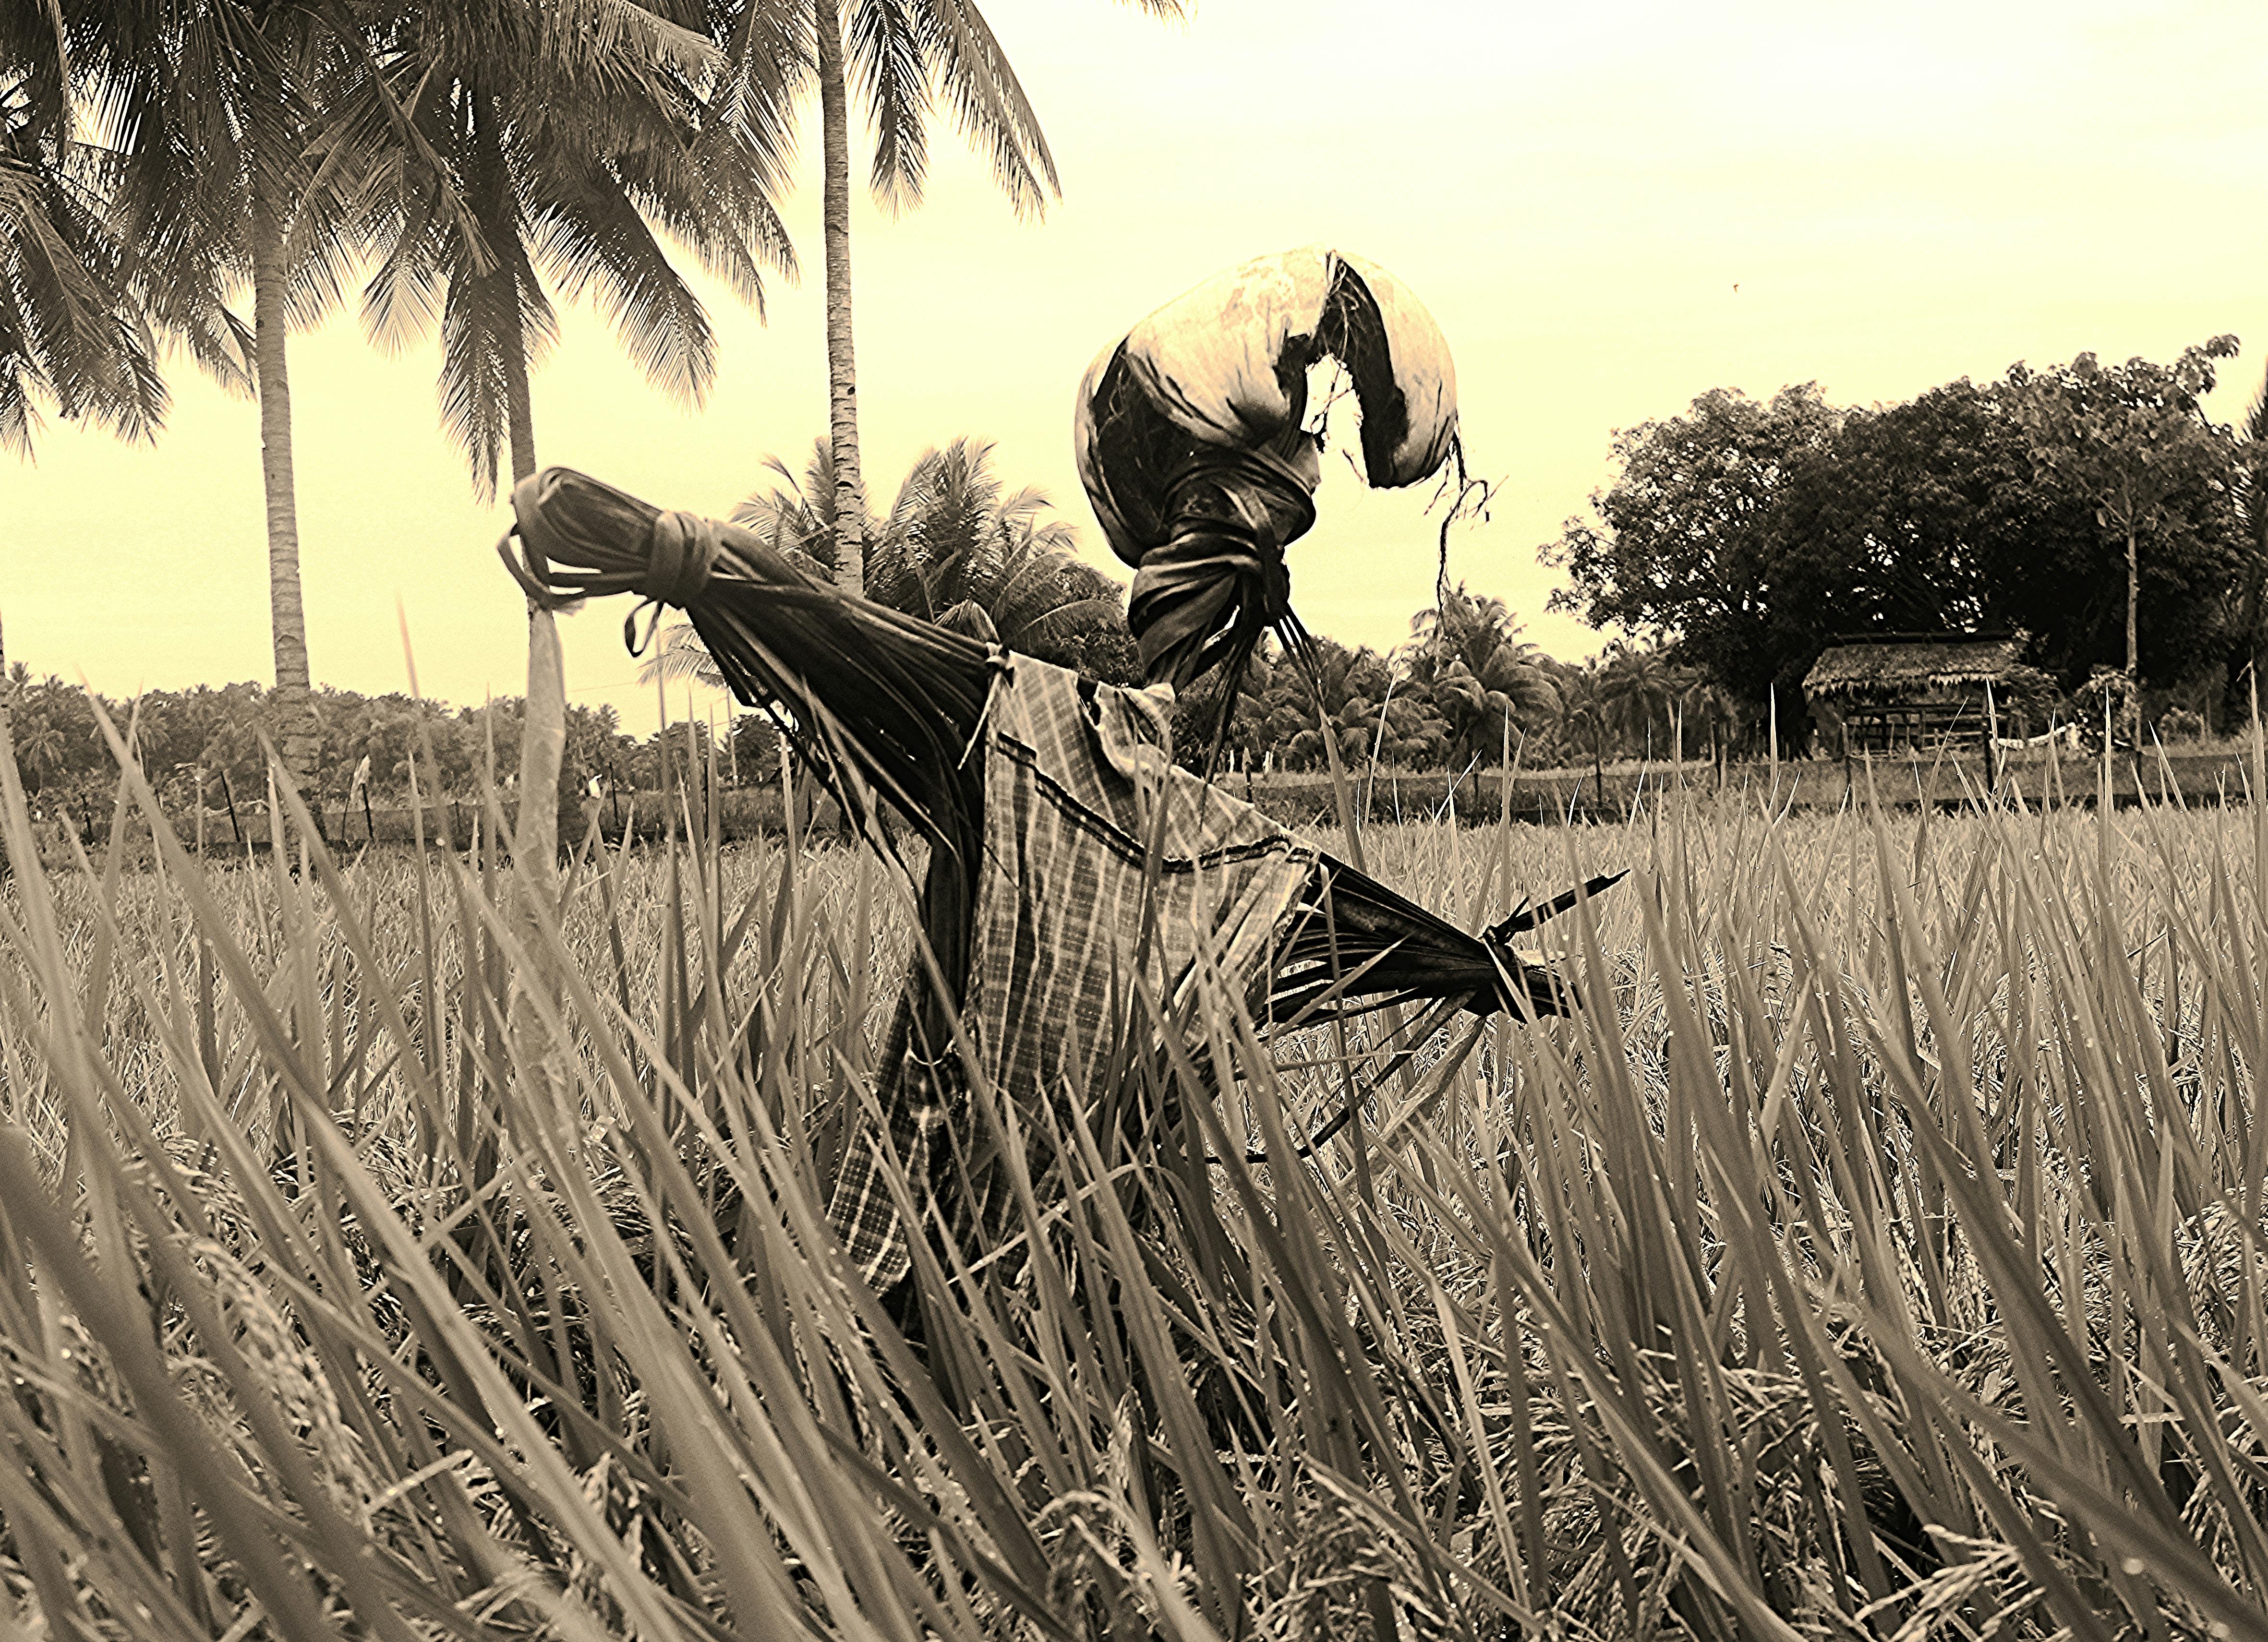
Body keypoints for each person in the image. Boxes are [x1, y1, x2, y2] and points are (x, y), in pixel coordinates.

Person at [496, 249, 1607, 1306]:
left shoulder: (1226, 855)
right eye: (1242, 527)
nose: (1251, 583)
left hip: (1095, 1258)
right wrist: (679, 555)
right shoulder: (1014, 725)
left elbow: (1336, 919)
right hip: (919, 1243)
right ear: (1188, 539)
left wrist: (1477, 968)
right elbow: (844, 632)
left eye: (1269, 540)